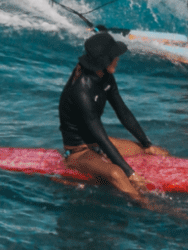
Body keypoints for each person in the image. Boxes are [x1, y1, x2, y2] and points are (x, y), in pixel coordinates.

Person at [59, 32, 169, 204]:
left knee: (152, 152)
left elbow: (122, 111)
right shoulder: (82, 90)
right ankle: (148, 206)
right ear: (103, 61)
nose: (117, 59)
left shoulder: (105, 76)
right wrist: (129, 173)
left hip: (97, 144)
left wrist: (147, 144)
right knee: (116, 173)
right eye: (114, 56)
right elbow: (99, 136)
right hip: (78, 152)